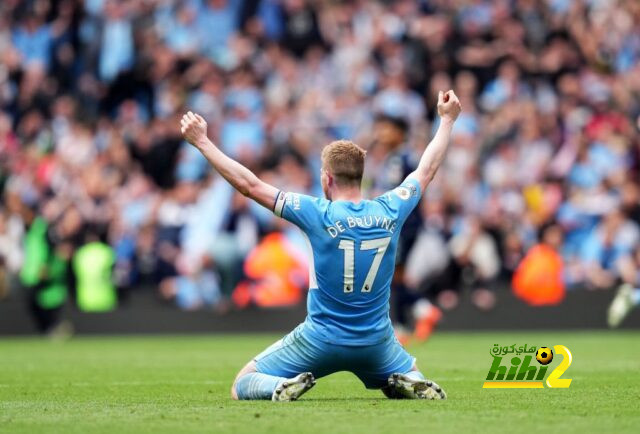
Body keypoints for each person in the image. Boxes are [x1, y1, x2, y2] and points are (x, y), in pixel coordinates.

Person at [180, 89, 461, 401]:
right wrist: (447, 120)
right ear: (360, 175)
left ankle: (278, 387)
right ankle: (409, 379)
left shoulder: (314, 211)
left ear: (327, 178)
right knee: (407, 370)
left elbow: (249, 185)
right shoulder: (391, 208)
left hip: (320, 340)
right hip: (377, 343)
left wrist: (202, 142)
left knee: (243, 382)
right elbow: (426, 170)